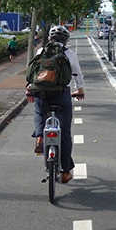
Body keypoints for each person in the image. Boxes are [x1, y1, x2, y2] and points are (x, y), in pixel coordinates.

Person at [26, 26, 84, 183]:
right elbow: (77, 74)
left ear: (50, 39)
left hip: (41, 93)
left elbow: (32, 72)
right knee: (64, 134)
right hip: (61, 94)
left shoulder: (41, 52)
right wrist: (80, 90)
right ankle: (66, 172)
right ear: (66, 40)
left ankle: (39, 136)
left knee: (38, 111)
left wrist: (29, 89)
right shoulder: (69, 54)